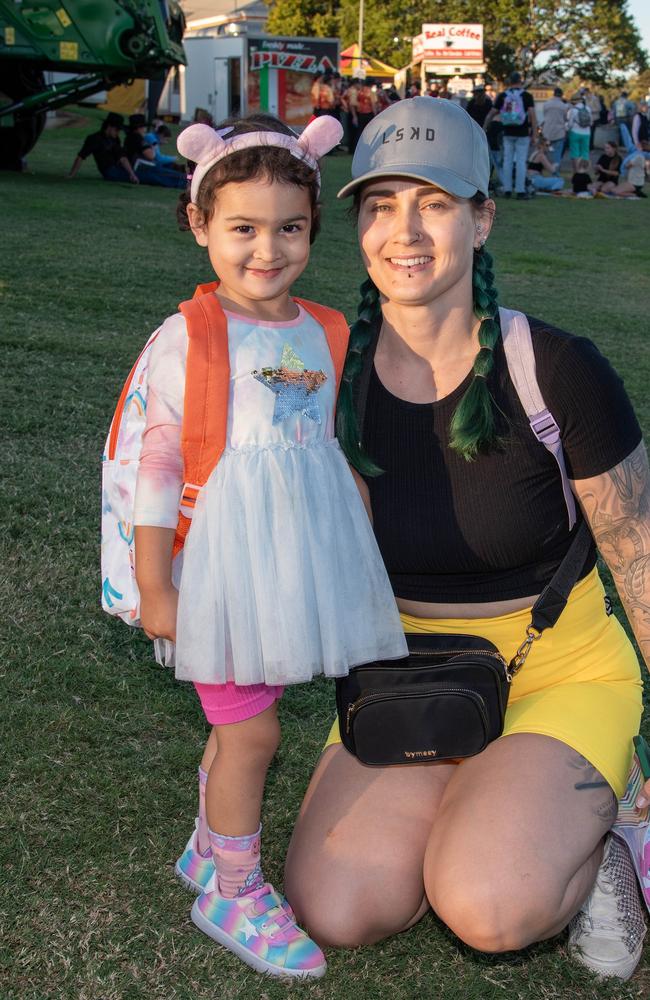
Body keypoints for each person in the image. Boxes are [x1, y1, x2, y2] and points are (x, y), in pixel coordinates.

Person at [284, 96, 649, 983]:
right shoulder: (324, 373)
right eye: (380, 205)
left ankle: (602, 828)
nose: (404, 232)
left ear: (481, 218)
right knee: (336, 907)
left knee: (489, 903)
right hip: (408, 679)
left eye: (435, 203)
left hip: (558, 666)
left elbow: (642, 561)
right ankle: (484, 796)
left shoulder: (554, 367)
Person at [131, 111, 407, 978]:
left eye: (289, 228)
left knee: (243, 725)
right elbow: (155, 462)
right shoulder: (192, 334)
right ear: (199, 224)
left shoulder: (325, 330)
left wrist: (352, 545)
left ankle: (209, 847)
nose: (267, 249)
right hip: (214, 570)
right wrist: (156, 586)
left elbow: (325, 442)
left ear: (312, 230)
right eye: (242, 227)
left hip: (288, 565)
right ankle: (235, 888)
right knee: (253, 738)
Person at [484, 71, 537, 199]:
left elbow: (492, 113)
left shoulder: (503, 95)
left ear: (510, 82)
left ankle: (507, 189)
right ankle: (520, 190)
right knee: (520, 161)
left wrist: (484, 127)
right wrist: (535, 133)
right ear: (520, 81)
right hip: (523, 133)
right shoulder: (526, 96)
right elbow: (532, 115)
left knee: (507, 161)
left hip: (507, 132)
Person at [67, 112, 139, 184]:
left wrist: (131, 173)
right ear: (109, 126)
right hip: (109, 171)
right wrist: (72, 175)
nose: (118, 132)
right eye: (117, 130)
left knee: (138, 172)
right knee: (141, 176)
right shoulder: (94, 139)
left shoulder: (115, 139)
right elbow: (81, 157)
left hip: (118, 167)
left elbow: (122, 157)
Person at [124, 113, 186, 189]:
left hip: (144, 168)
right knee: (175, 177)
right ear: (139, 128)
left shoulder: (130, 138)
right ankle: (190, 182)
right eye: (143, 127)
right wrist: (153, 147)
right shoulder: (138, 138)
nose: (144, 129)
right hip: (145, 169)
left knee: (173, 171)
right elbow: (152, 156)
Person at [541, 87, 568, 167]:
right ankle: (555, 170)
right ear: (561, 95)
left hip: (547, 131)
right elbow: (565, 118)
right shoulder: (564, 106)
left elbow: (545, 115)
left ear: (554, 94)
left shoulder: (546, 104)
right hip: (559, 132)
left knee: (544, 151)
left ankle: (542, 166)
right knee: (557, 153)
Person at [566, 96, 592, 173]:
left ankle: (577, 171)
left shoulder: (573, 110)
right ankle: (584, 171)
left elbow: (570, 124)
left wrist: (567, 128)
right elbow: (591, 122)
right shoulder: (588, 108)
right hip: (587, 133)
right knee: (585, 153)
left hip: (575, 132)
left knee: (575, 152)